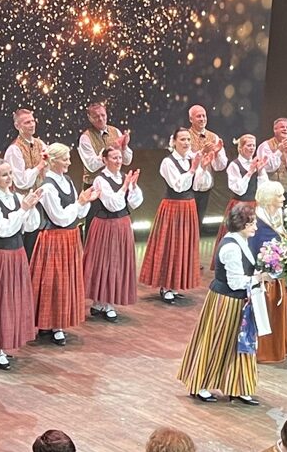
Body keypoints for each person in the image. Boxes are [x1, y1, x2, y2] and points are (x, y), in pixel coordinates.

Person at [178, 204, 263, 405]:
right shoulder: (231, 247)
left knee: (240, 344)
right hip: (226, 302)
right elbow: (235, 282)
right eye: (252, 223)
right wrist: (260, 278)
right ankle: (200, 384)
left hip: (238, 301)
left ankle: (238, 386)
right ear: (242, 224)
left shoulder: (242, 241)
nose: (255, 227)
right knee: (216, 341)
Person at [31, 143, 96, 343]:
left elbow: (77, 212)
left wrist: (85, 202)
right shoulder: (48, 186)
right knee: (53, 282)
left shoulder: (67, 181)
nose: (69, 162)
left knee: (65, 281)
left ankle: (56, 322)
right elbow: (59, 217)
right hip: (54, 239)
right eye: (65, 158)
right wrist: (79, 203)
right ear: (54, 161)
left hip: (69, 237)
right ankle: (50, 323)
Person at [142, 129, 211, 304]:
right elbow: (177, 186)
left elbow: (199, 185)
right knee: (170, 245)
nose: (186, 143)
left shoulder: (191, 159)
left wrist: (202, 168)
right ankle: (165, 285)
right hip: (173, 206)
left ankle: (175, 284)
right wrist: (193, 169)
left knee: (183, 245)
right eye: (182, 139)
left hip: (188, 206)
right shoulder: (168, 162)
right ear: (174, 141)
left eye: (188, 139)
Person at [86, 145, 145, 322]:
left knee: (117, 262)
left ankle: (107, 302)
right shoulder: (100, 180)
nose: (118, 161)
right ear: (105, 160)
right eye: (114, 158)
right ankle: (100, 301)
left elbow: (134, 203)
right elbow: (112, 204)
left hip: (122, 224)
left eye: (120, 158)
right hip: (105, 225)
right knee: (104, 262)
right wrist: (125, 187)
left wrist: (133, 186)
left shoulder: (123, 177)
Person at [251, 181, 287, 365]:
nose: (283, 198)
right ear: (269, 199)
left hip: (277, 275)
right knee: (265, 314)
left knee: (276, 314)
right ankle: (264, 351)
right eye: (279, 195)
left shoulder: (279, 215)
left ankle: (278, 348)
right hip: (262, 278)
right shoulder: (257, 221)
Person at [185, 104, 229, 255]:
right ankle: (184, 257)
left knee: (198, 223)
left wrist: (216, 152)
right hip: (187, 186)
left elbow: (220, 166)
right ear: (191, 119)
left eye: (204, 115)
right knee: (187, 224)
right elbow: (184, 158)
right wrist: (202, 151)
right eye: (198, 116)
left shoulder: (213, 137)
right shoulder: (185, 136)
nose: (202, 118)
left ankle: (193, 257)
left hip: (204, 187)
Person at [4, 108, 48, 257]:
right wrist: (39, 167)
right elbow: (21, 182)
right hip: (23, 201)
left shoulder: (40, 144)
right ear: (18, 126)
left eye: (32, 121)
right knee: (28, 243)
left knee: (40, 243)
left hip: (40, 199)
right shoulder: (14, 150)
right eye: (27, 122)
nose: (31, 124)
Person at [79, 100, 132, 185]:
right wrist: (108, 151)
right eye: (96, 116)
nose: (100, 119)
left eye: (103, 115)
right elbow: (92, 167)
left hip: (115, 183)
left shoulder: (116, 131)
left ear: (106, 115)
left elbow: (127, 161)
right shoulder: (85, 138)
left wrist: (124, 147)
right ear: (90, 118)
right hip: (93, 185)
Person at [224, 135, 266, 226]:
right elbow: (239, 190)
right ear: (241, 148)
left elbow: (264, 187)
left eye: (254, 145)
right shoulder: (234, 165)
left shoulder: (257, 163)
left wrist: (260, 171)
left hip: (255, 205)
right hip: (240, 206)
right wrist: (250, 172)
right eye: (249, 145)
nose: (252, 148)